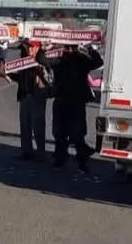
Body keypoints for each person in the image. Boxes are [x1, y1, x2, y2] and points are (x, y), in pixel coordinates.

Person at [43, 43, 104, 172]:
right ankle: (60, 160)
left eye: (72, 47)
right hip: (62, 100)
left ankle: (82, 161)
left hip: (77, 102)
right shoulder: (59, 61)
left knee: (77, 135)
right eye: (68, 47)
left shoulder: (82, 60)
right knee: (60, 134)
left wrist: (90, 49)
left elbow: (98, 62)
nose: (70, 50)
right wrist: (44, 48)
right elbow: (41, 60)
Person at [9, 40, 50, 161]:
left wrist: (40, 71)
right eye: (28, 47)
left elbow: (49, 79)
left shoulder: (42, 60)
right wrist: (10, 74)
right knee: (25, 125)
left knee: (38, 126)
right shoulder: (23, 61)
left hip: (37, 95)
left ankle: (41, 153)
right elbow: (21, 78)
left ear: (38, 47)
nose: (29, 50)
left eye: (32, 47)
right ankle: (26, 151)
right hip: (24, 95)